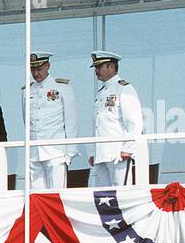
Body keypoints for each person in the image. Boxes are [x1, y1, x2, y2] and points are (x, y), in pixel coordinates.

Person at [89, 51, 146, 186]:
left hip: (118, 153)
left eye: (99, 67)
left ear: (111, 67)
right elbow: (98, 124)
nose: (96, 71)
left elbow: (133, 121)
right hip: (102, 153)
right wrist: (94, 151)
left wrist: (128, 148)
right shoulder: (102, 92)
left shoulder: (124, 88)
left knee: (122, 194)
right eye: (96, 68)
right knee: (102, 196)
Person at [25, 53, 77, 189]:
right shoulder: (27, 90)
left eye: (39, 69)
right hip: (35, 152)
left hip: (56, 151)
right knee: (37, 197)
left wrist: (70, 151)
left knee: (56, 195)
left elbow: (71, 120)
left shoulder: (62, 87)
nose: (36, 73)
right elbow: (27, 121)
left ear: (48, 66)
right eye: (32, 69)